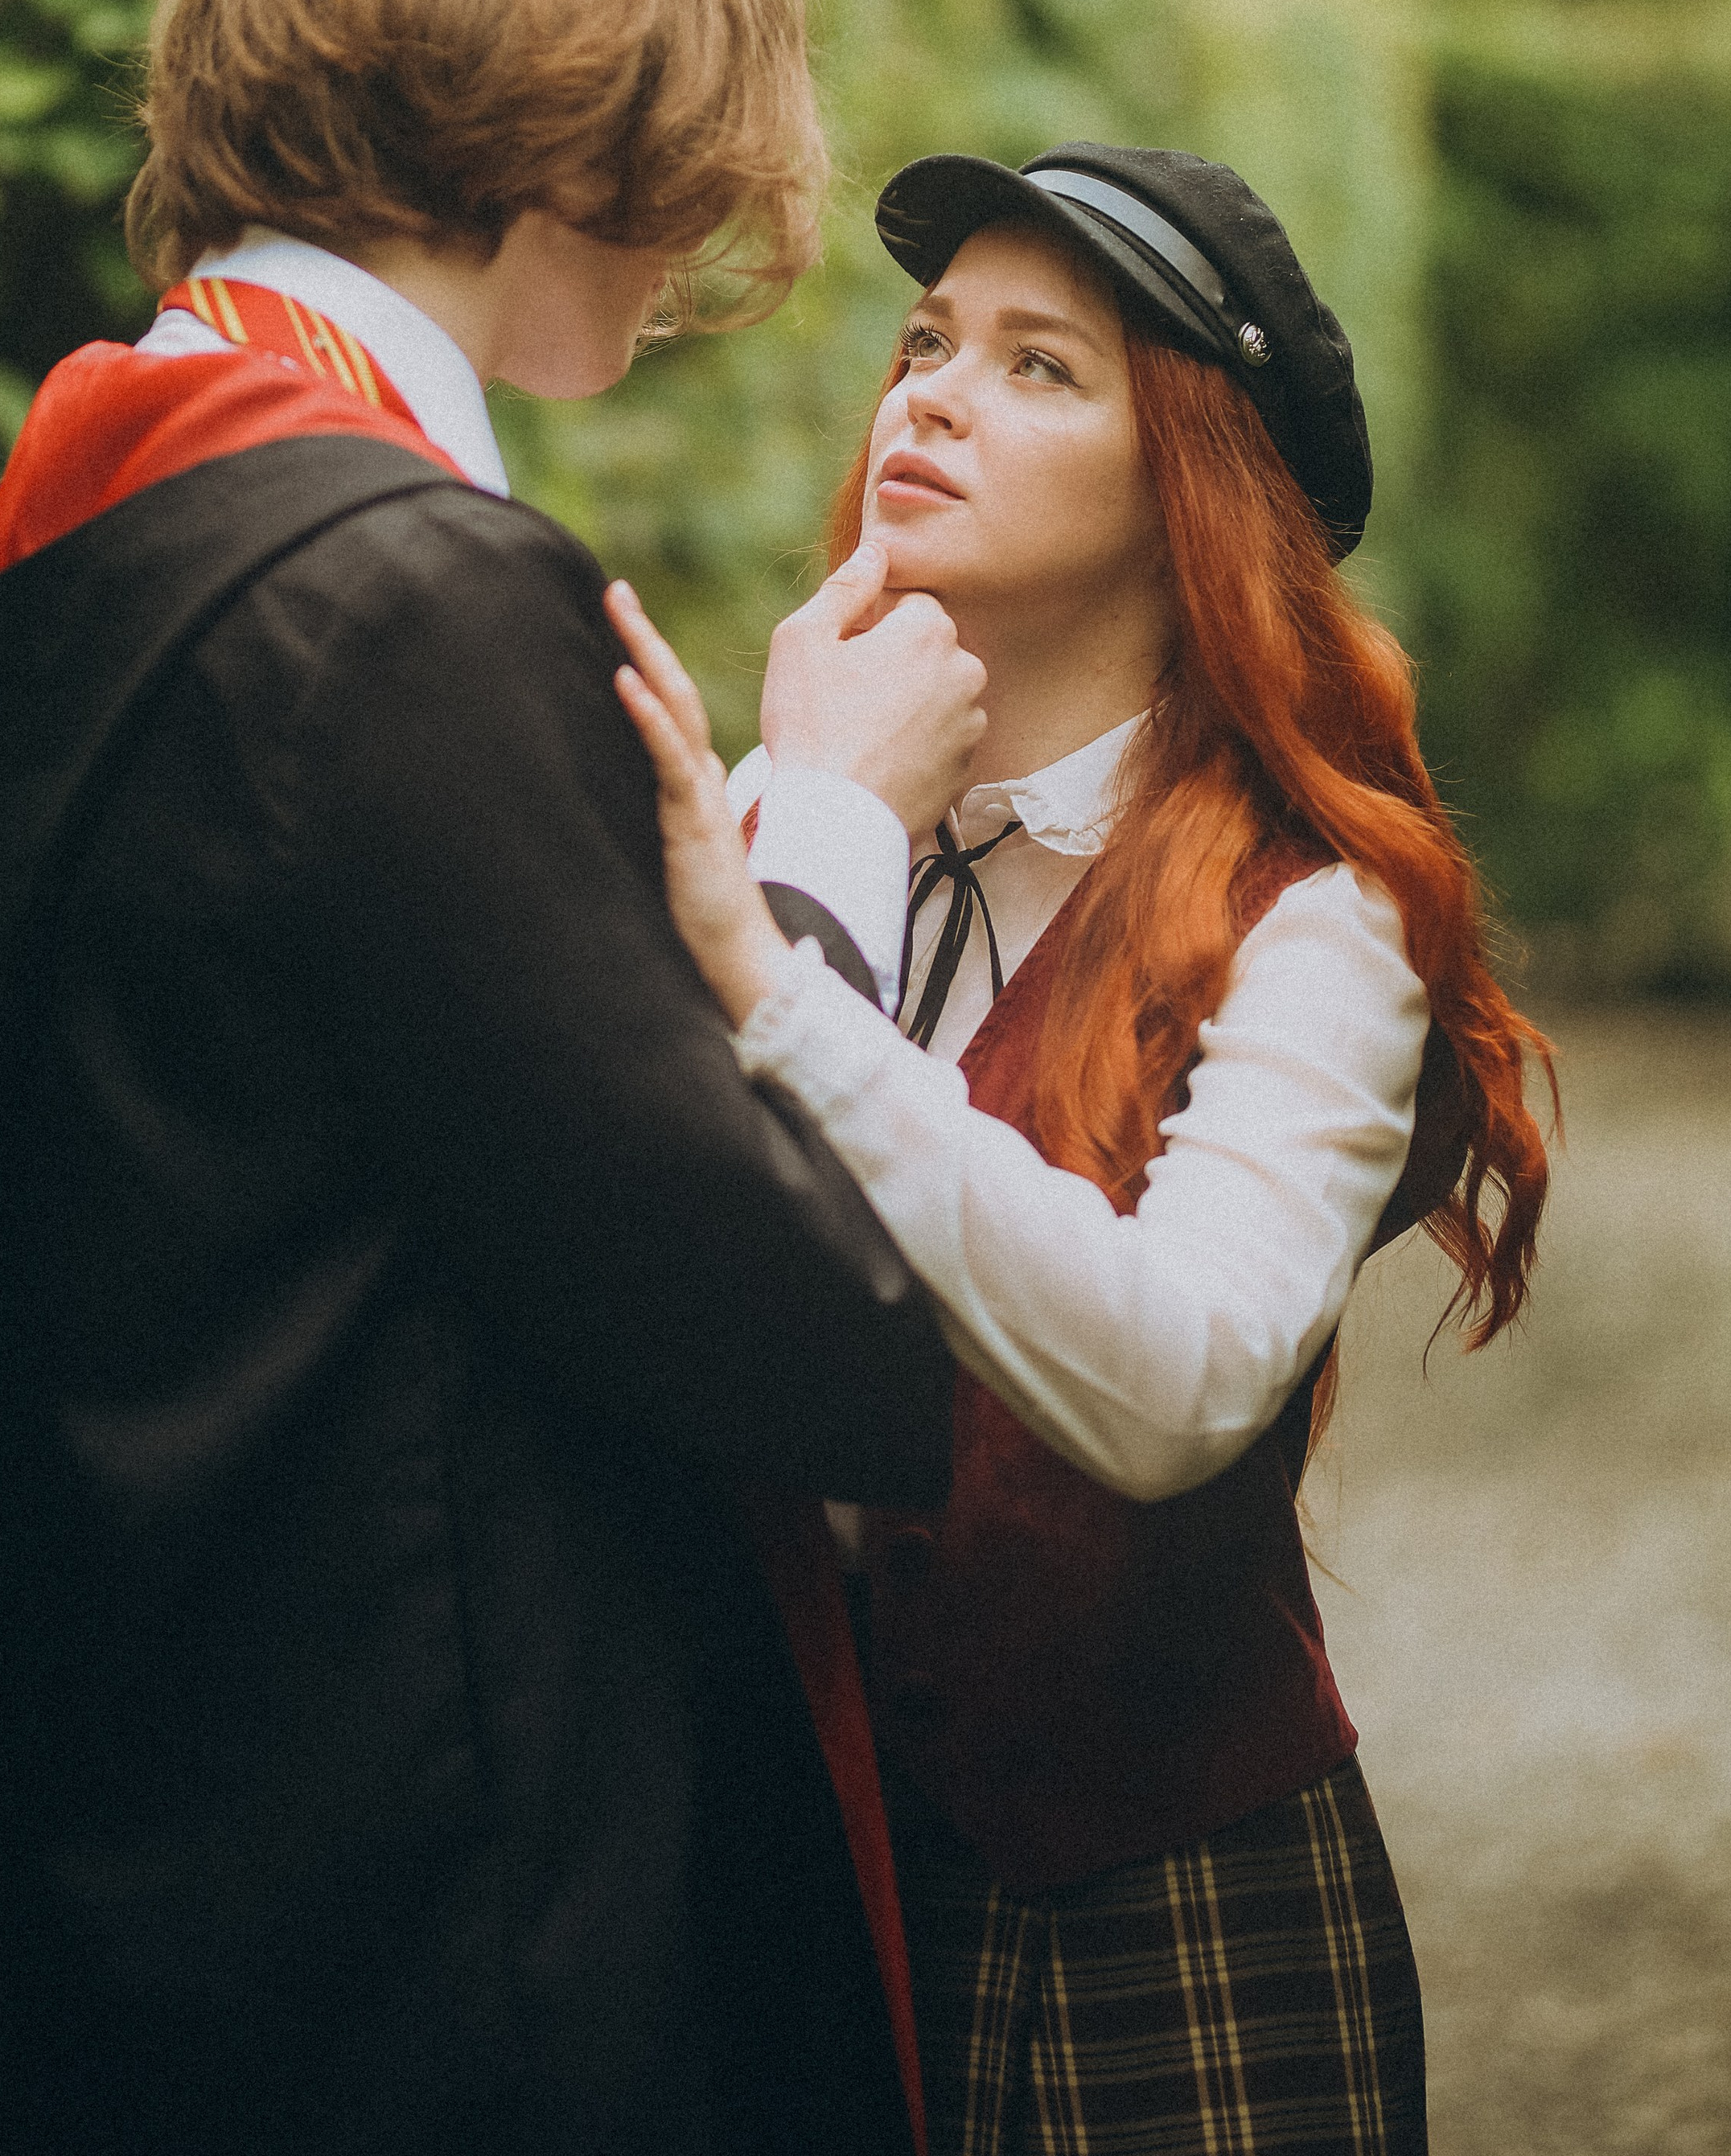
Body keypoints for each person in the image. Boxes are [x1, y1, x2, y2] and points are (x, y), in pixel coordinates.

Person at [0, 0, 993, 2156]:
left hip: (132, 1856)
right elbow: (794, 1333)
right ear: (578, 108)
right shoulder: (409, 592)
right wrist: (840, 846)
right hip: (436, 1918)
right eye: (686, 126)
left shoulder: (77, 510)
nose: (701, 227)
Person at [609, 141, 1554, 2156]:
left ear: (1184, 484)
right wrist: (811, 852)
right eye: (928, 339)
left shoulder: (1314, 909)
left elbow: (1183, 1374)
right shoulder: (788, 809)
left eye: (1040, 367)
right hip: (787, 1871)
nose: (929, 391)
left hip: (1167, 1909)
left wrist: (790, 1000)